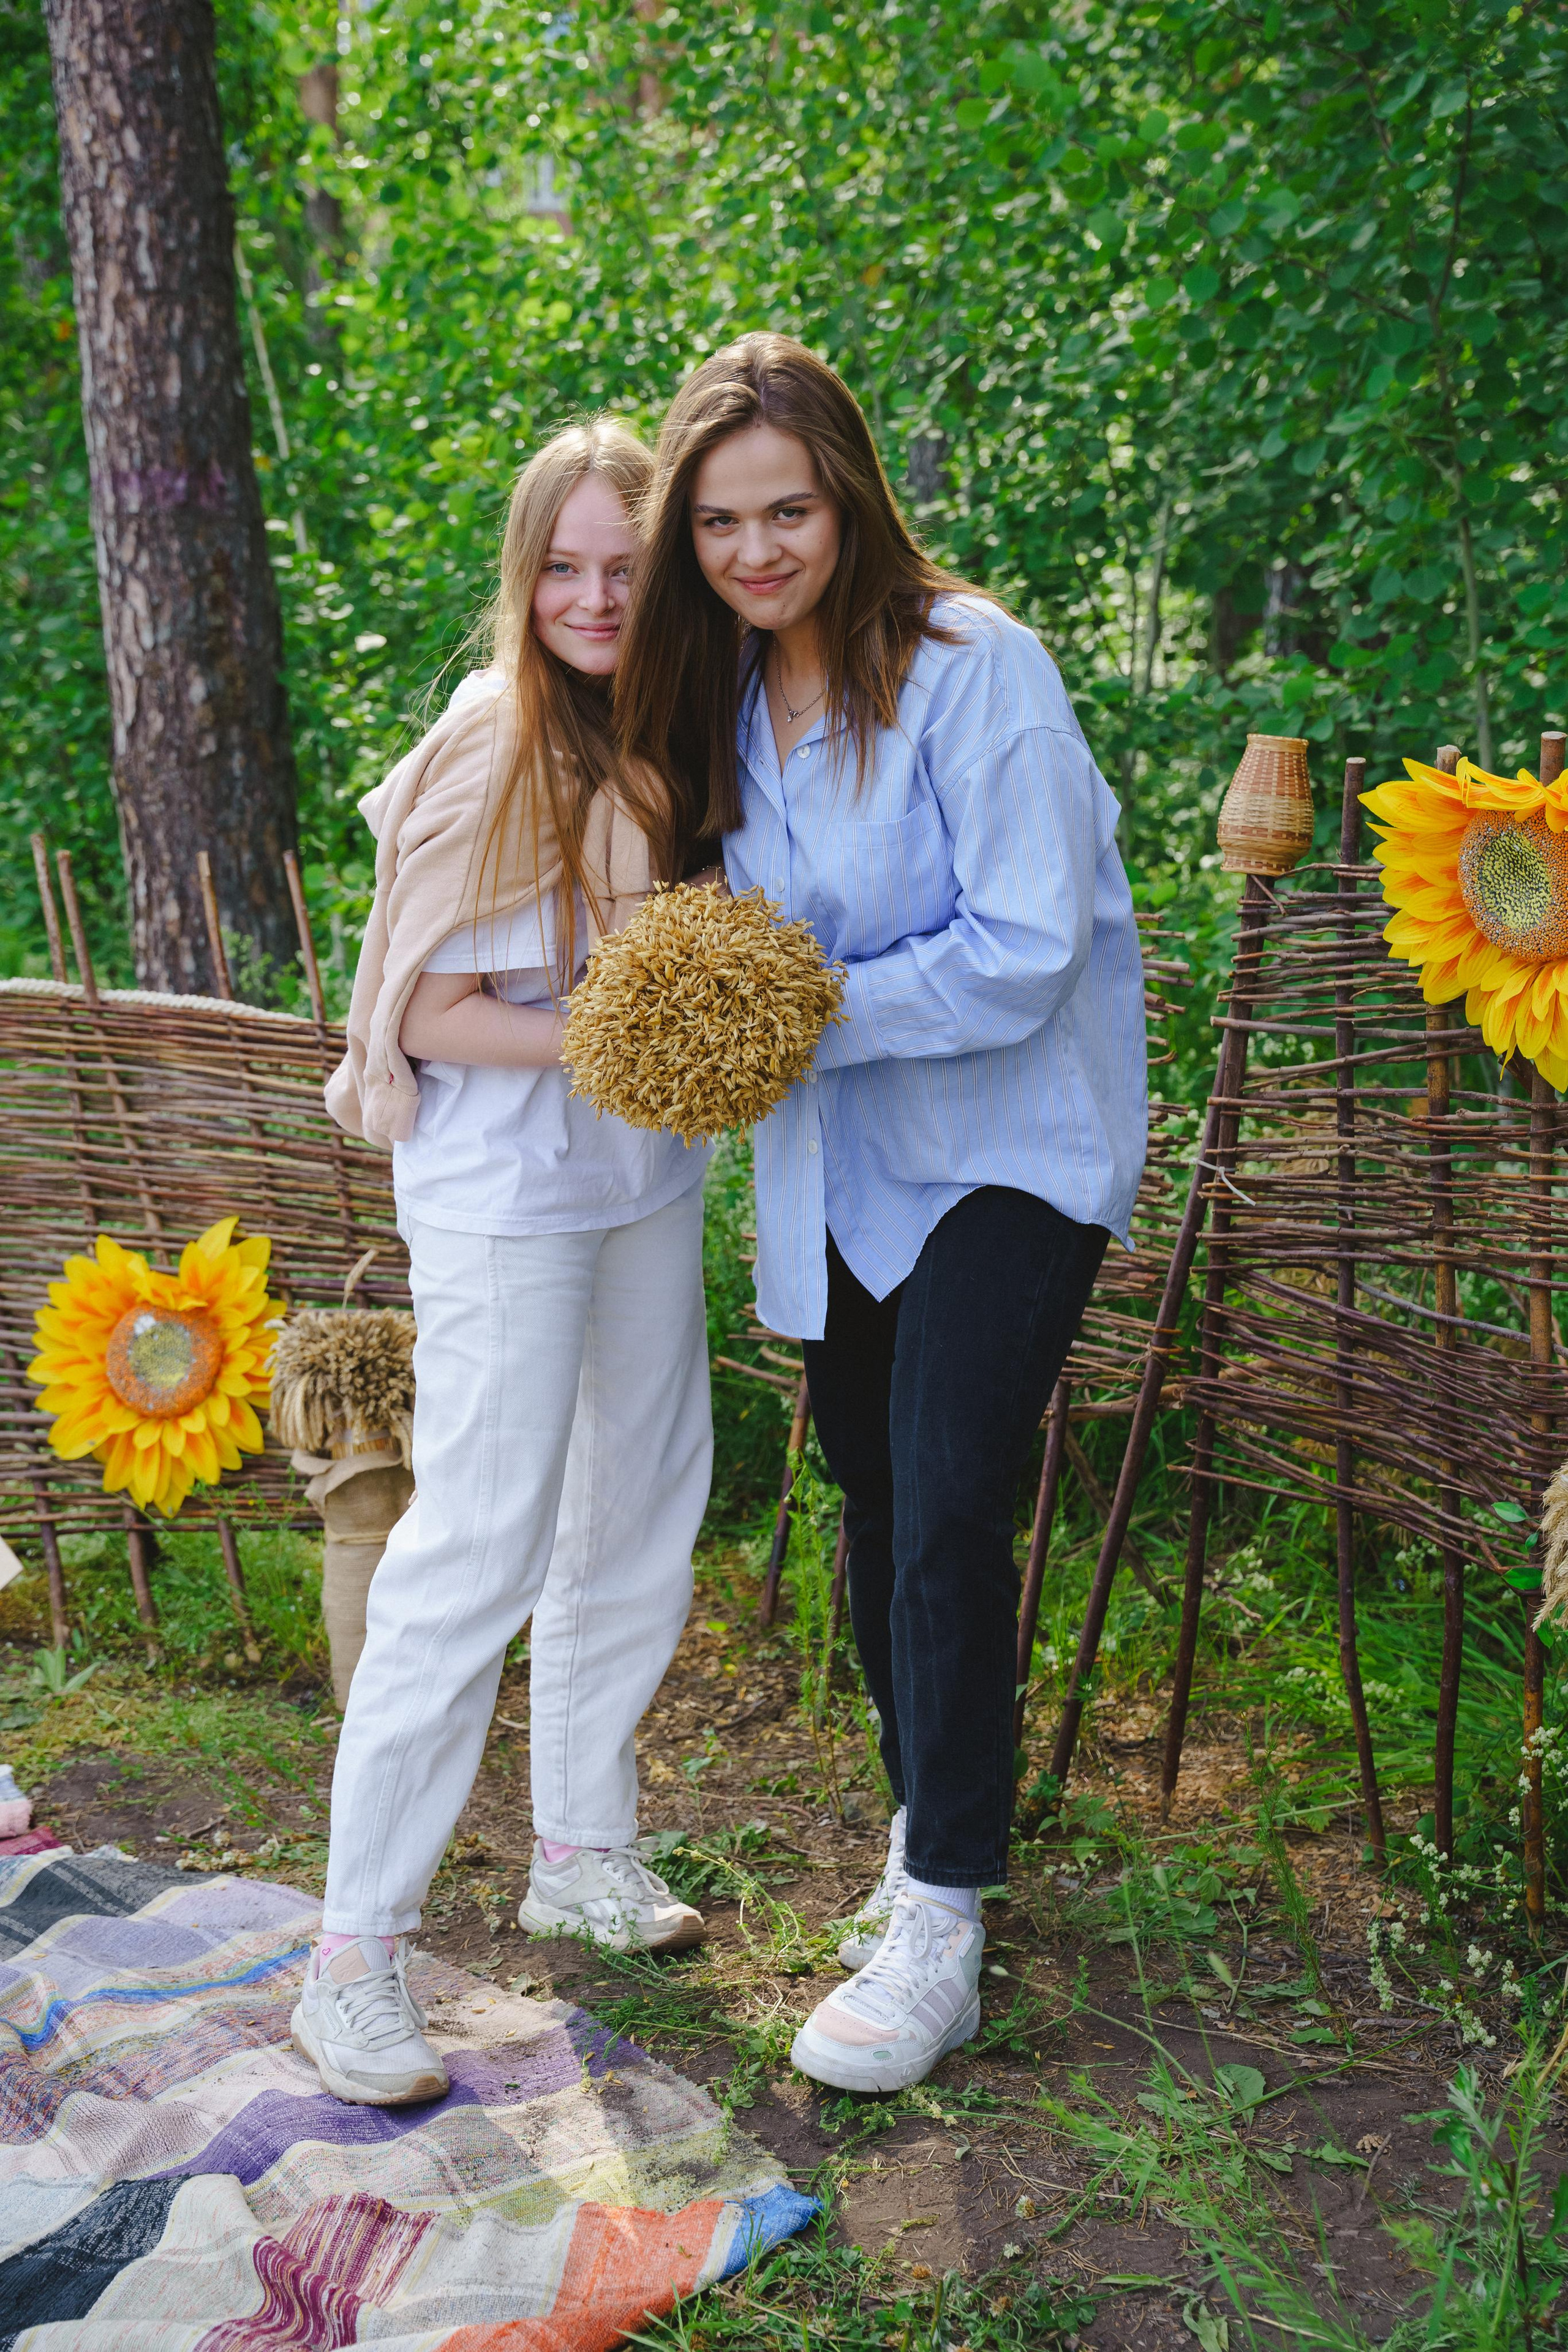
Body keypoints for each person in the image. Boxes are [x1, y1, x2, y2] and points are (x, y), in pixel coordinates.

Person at [618, 336, 1147, 2095]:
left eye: (788, 511)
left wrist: (794, 1007)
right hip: (843, 1167)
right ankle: (932, 1826)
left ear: (849, 495)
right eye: (719, 525)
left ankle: (944, 1923)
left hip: (1009, 1148)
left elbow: (1025, 947)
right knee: (871, 1496)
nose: (756, 552)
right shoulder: (719, 699)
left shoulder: (976, 670)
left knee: (948, 1504)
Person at [296, 421, 714, 2107]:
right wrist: (630, 1033)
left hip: (642, 1172)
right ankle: (353, 1955)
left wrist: (681, 1035)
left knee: (642, 1501)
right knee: (477, 1540)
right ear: (521, 577)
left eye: (625, 567)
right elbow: (424, 1008)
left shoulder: (663, 733)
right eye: (564, 567)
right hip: (504, 1193)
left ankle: (581, 1848)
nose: (594, 598)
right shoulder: (496, 738)